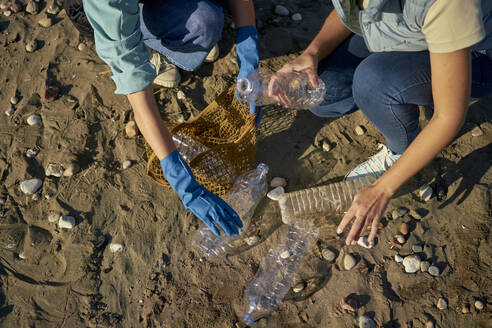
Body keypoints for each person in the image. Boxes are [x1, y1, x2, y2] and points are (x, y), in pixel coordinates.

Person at [277, 0, 492, 245]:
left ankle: (401, 153)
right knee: (322, 92)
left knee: (373, 81)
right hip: (411, 31)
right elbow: (349, 11)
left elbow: (448, 116)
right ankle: (399, 86)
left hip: (476, 51)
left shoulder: (446, 4)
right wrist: (312, 53)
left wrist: (383, 188)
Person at [65, 0, 261, 236]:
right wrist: (184, 183)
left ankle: (177, 38)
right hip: (97, 13)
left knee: (205, 25)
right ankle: (149, 53)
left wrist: (248, 55)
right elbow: (140, 100)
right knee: (203, 26)